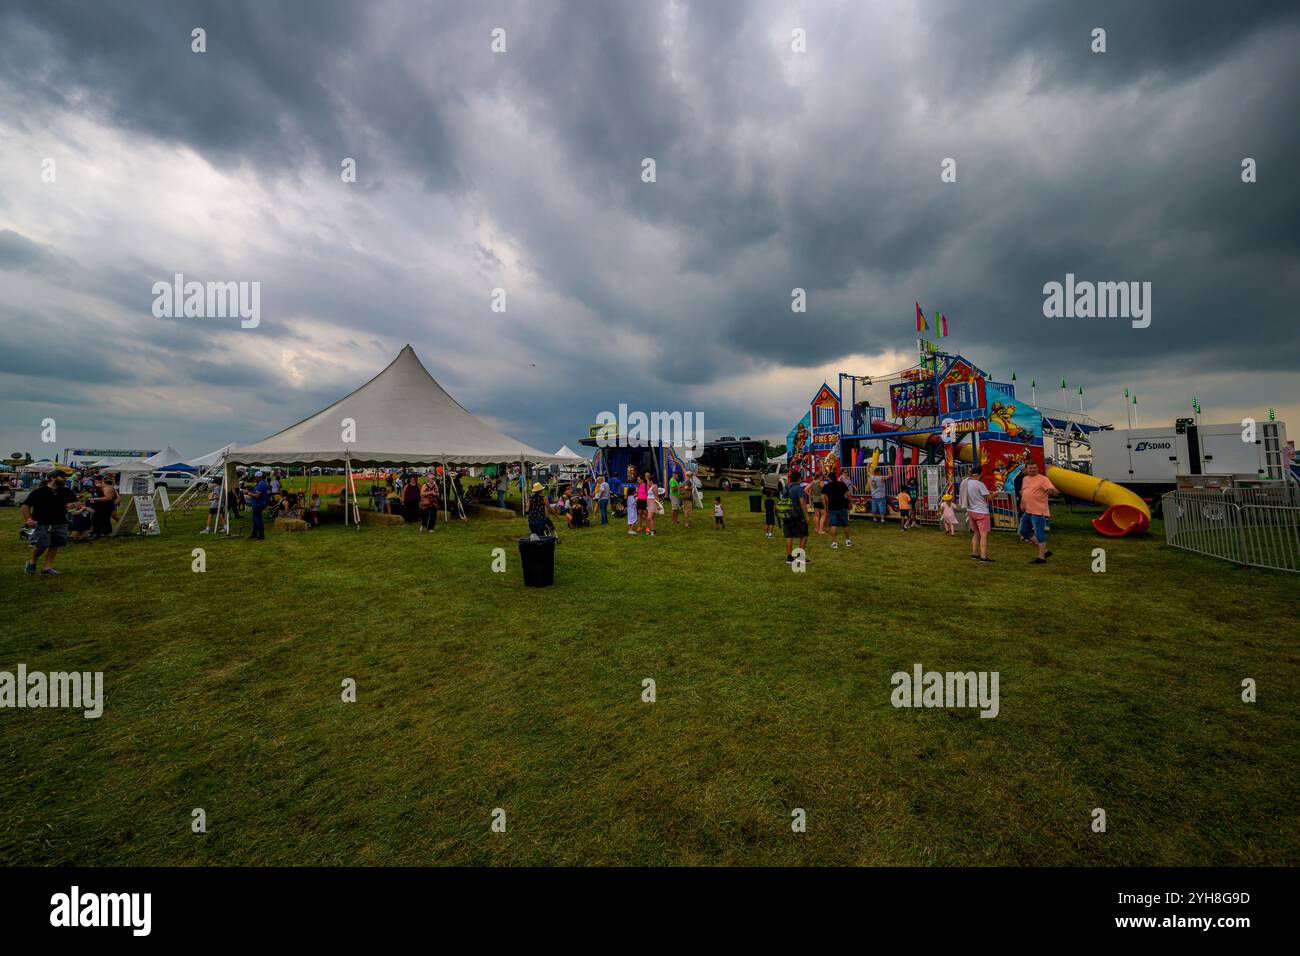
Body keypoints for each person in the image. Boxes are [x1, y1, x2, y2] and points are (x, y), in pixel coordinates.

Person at [21, 470, 85, 575]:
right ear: (53, 477)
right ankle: (32, 562)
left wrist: (73, 504)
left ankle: (47, 568)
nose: (65, 479)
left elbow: (77, 502)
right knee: (42, 545)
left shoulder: (66, 491)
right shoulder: (39, 492)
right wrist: (29, 520)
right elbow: (25, 506)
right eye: (62, 477)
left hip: (60, 522)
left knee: (55, 544)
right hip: (42, 522)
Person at [1017, 460, 1056, 563]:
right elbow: (1024, 491)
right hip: (1028, 510)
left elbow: (1053, 490)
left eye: (1034, 468)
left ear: (1037, 468)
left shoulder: (1043, 479)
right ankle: (1045, 551)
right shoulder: (1025, 479)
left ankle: (1041, 558)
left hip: (1039, 511)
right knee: (1024, 531)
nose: (1032, 470)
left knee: (1039, 534)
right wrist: (1022, 502)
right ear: (1026, 469)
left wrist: (1050, 491)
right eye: (1030, 468)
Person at [959, 470, 993, 562]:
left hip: (971, 511)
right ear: (980, 475)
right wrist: (994, 495)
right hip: (981, 511)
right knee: (984, 535)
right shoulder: (980, 484)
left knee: (976, 533)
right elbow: (989, 498)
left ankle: (974, 554)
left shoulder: (966, 483)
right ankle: (983, 556)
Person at [782, 470, 810, 564]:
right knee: (804, 534)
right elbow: (802, 503)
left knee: (789, 535)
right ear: (799, 479)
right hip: (796, 514)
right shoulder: (798, 488)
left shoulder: (786, 487)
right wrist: (806, 516)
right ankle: (800, 557)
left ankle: (789, 557)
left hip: (786, 513)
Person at [822, 470, 852, 549]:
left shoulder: (827, 486)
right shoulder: (842, 484)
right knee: (845, 524)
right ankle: (848, 541)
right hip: (842, 506)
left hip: (832, 507)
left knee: (833, 525)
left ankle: (835, 543)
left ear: (829, 478)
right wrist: (850, 503)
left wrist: (825, 506)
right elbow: (848, 494)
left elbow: (822, 497)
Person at [248, 470, 270, 540]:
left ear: (260, 477)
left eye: (256, 477)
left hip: (258, 504)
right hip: (259, 503)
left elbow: (257, 496)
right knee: (255, 520)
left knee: (258, 520)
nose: (254, 478)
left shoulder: (261, 484)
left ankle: (261, 535)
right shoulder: (263, 483)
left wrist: (250, 494)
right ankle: (254, 533)